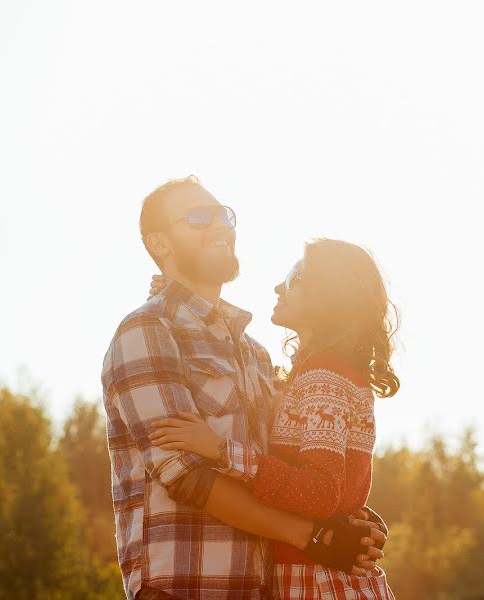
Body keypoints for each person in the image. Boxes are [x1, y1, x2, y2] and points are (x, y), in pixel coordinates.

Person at [102, 176, 384, 600]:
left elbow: (289, 467)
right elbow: (184, 475)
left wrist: (352, 517)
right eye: (199, 217)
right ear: (160, 244)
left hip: (266, 587)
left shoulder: (254, 354)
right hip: (184, 588)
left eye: (224, 215)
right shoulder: (148, 330)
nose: (219, 225)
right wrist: (314, 536)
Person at [148, 238, 399, 599]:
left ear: (326, 296)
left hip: (321, 582)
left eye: (294, 278)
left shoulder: (324, 378)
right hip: (319, 575)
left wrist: (220, 450)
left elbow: (322, 491)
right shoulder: (322, 373)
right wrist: (179, 295)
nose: (279, 287)